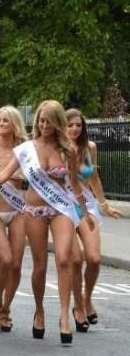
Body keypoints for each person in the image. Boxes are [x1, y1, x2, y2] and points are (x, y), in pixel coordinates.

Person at [0, 100, 95, 344]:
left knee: (64, 259)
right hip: (33, 211)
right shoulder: (27, 149)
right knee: (39, 266)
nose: (44, 125)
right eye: (41, 120)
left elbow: (75, 184)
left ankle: (64, 318)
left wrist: (85, 213)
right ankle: (39, 311)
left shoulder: (67, 150)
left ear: (57, 122)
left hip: (60, 209)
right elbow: (4, 174)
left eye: (49, 121)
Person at [66, 108, 123, 331]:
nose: (75, 129)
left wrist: (104, 204)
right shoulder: (58, 148)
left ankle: (86, 298)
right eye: (70, 125)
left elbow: (94, 178)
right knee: (75, 260)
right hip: (64, 205)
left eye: (78, 125)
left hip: (87, 205)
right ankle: (78, 307)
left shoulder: (89, 147)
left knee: (94, 258)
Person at [0, 106, 29, 332]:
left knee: (17, 264)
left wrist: (18, 178)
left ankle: (5, 309)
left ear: (15, 125)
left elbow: (32, 180)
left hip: (18, 210)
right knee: (5, 260)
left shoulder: (24, 150)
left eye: (6, 121)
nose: (1, 124)